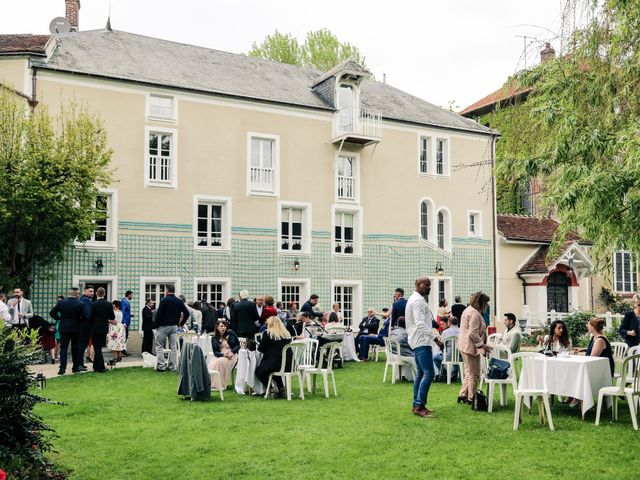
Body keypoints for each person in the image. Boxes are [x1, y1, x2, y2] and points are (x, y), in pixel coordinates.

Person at [405, 277, 437, 418]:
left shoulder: (415, 299)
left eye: (430, 285)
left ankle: (416, 404)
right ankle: (419, 405)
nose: (429, 287)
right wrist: (435, 337)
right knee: (429, 373)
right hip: (421, 340)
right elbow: (420, 323)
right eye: (426, 285)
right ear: (418, 285)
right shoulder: (417, 301)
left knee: (420, 373)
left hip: (417, 339)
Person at [457, 292, 492, 404]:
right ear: (481, 303)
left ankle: (463, 394)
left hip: (463, 344)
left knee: (468, 372)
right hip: (470, 346)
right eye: (485, 303)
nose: (486, 305)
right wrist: (482, 345)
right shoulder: (475, 314)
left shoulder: (467, 310)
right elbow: (473, 332)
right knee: (474, 374)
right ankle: (471, 398)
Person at [154, 284, 190, 372]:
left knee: (159, 346)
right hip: (174, 326)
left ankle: (161, 366)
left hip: (163, 326)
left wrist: (156, 325)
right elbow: (187, 313)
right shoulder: (179, 301)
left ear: (167, 291)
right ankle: (172, 366)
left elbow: (159, 314)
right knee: (173, 347)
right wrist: (181, 324)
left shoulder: (164, 300)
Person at [255, 316, 292, 397]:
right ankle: (281, 388)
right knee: (274, 372)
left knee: (259, 372)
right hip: (288, 364)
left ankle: (271, 389)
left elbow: (261, 349)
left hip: (274, 363)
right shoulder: (286, 333)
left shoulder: (268, 333)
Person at [49, 288, 84, 375]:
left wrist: (59, 318)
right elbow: (84, 316)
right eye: (78, 293)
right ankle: (75, 368)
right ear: (76, 294)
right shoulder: (80, 304)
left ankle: (62, 368)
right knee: (75, 348)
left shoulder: (61, 302)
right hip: (76, 328)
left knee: (63, 348)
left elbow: (52, 313)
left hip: (64, 327)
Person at [209, 320, 240, 390]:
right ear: (217, 327)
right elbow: (215, 352)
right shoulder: (214, 337)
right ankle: (212, 383)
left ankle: (220, 384)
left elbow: (238, 345)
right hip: (221, 354)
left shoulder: (230, 332)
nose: (223, 328)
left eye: (224, 326)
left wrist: (232, 352)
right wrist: (223, 355)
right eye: (221, 326)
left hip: (232, 354)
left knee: (219, 362)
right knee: (212, 363)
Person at [89, 287, 114, 373]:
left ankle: (101, 367)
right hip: (104, 328)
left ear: (96, 293)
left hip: (95, 328)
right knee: (99, 348)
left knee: (97, 348)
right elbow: (112, 317)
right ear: (105, 294)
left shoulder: (93, 304)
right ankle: (96, 366)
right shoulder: (108, 304)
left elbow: (90, 317)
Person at [78, 285, 94, 369]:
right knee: (82, 346)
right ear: (85, 291)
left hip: (81, 326)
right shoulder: (86, 301)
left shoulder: (81, 299)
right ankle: (79, 364)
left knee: (81, 346)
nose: (92, 293)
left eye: (93, 291)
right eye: (90, 291)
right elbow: (88, 315)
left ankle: (80, 363)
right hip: (85, 326)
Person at [120, 290, 133, 356]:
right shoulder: (124, 302)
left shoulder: (126, 301)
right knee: (124, 336)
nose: (132, 296)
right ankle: (122, 350)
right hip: (125, 322)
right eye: (132, 295)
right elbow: (123, 312)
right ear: (129, 295)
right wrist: (124, 323)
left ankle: (123, 350)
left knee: (126, 336)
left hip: (127, 321)